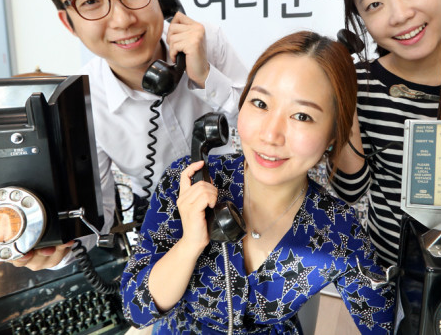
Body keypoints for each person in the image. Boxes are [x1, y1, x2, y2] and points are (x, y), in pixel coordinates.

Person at [0, 0, 248, 271]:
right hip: (169, 228)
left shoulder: (206, 42)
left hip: (246, 204)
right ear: (68, 21)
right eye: (90, 2)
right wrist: (58, 247)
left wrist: (205, 77)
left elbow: (265, 129)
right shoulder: (81, 100)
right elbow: (99, 215)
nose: (122, 19)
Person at [121, 31, 395, 334]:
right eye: (260, 103)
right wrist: (190, 244)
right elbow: (136, 310)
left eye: (302, 116)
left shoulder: (339, 230)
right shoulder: (186, 181)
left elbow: (384, 325)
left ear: (332, 136)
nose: (270, 135)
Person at [330, 0, 441, 267]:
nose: (399, 15)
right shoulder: (361, 84)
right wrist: (344, 90)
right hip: (390, 272)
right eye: (374, 5)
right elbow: (351, 190)